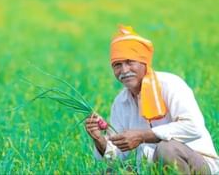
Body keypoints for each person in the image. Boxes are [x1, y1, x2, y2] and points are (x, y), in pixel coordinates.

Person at [85, 25, 219, 174]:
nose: (124, 70)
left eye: (130, 62)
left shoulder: (170, 85)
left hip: (198, 163)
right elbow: (118, 158)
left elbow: (194, 127)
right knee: (111, 172)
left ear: (144, 63)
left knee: (167, 149)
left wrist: (142, 136)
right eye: (117, 65)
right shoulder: (120, 102)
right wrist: (99, 140)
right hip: (150, 167)